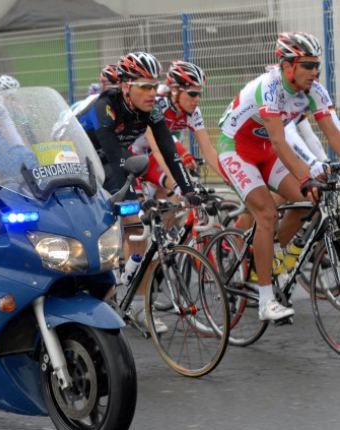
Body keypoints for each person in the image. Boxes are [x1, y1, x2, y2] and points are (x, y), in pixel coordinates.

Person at [217, 31, 340, 321]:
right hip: (236, 149)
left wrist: (310, 182)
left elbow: (334, 133)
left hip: (265, 152)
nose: (314, 71)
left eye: (316, 65)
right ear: (288, 66)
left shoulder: (315, 91)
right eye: (307, 65)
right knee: (268, 214)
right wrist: (306, 175)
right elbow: (279, 140)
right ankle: (265, 300)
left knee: (312, 200)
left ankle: (277, 259)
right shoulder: (270, 86)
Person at [77, 52, 195, 333]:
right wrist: (124, 194)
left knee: (138, 229)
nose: (152, 93)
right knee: (104, 225)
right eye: (144, 86)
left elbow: (169, 150)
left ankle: (137, 305)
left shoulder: (152, 110)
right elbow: (114, 156)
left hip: (114, 159)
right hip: (77, 158)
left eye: (154, 86)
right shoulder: (106, 105)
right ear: (126, 86)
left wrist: (188, 188)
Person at [130, 61, 224, 197]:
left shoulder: (193, 112)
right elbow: (158, 149)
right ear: (175, 90)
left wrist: (231, 181)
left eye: (199, 94)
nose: (197, 99)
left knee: (183, 194)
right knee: (136, 206)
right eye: (192, 94)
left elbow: (208, 151)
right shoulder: (157, 103)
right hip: (133, 152)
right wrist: (177, 183)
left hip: (154, 151)